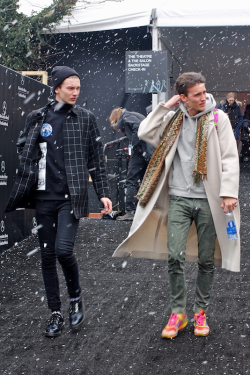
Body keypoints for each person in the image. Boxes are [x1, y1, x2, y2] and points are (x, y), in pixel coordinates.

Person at [113, 72, 240, 339]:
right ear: (183, 97)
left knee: (206, 260)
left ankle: (200, 312)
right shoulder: (174, 119)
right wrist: (167, 105)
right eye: (197, 94)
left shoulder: (218, 118)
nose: (204, 97)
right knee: (174, 256)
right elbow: (145, 131)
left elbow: (230, 157)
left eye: (205, 92)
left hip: (209, 200)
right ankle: (178, 313)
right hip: (179, 197)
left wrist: (228, 192)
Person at [5, 66, 112, 337]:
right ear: (56, 89)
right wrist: (33, 160)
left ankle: (75, 299)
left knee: (63, 250)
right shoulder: (37, 117)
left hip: (71, 198)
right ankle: (55, 312)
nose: (75, 92)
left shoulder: (86, 119)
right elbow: (22, 146)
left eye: (78, 88)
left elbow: (96, 160)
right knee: (47, 255)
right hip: (43, 198)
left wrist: (102, 192)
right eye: (70, 88)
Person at [109, 107, 154, 221]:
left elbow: (137, 128)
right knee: (146, 180)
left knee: (131, 180)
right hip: (148, 150)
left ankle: (131, 211)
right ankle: (146, 209)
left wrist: (136, 146)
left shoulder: (127, 117)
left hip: (141, 150)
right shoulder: (134, 114)